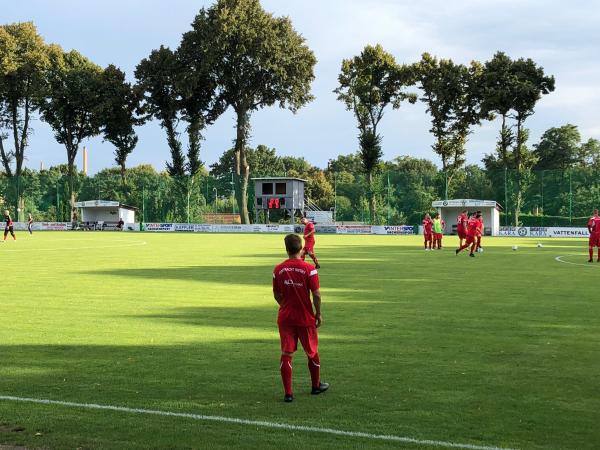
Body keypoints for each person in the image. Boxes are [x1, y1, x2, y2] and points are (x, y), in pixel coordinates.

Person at [272, 233, 329, 403]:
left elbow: (276, 294)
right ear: (301, 247)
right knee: (312, 353)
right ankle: (315, 386)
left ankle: (288, 394)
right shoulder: (309, 269)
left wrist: (286, 305)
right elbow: (316, 294)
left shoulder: (278, 269)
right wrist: (318, 313)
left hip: (286, 317)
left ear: (286, 249)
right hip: (305, 317)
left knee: (286, 353)